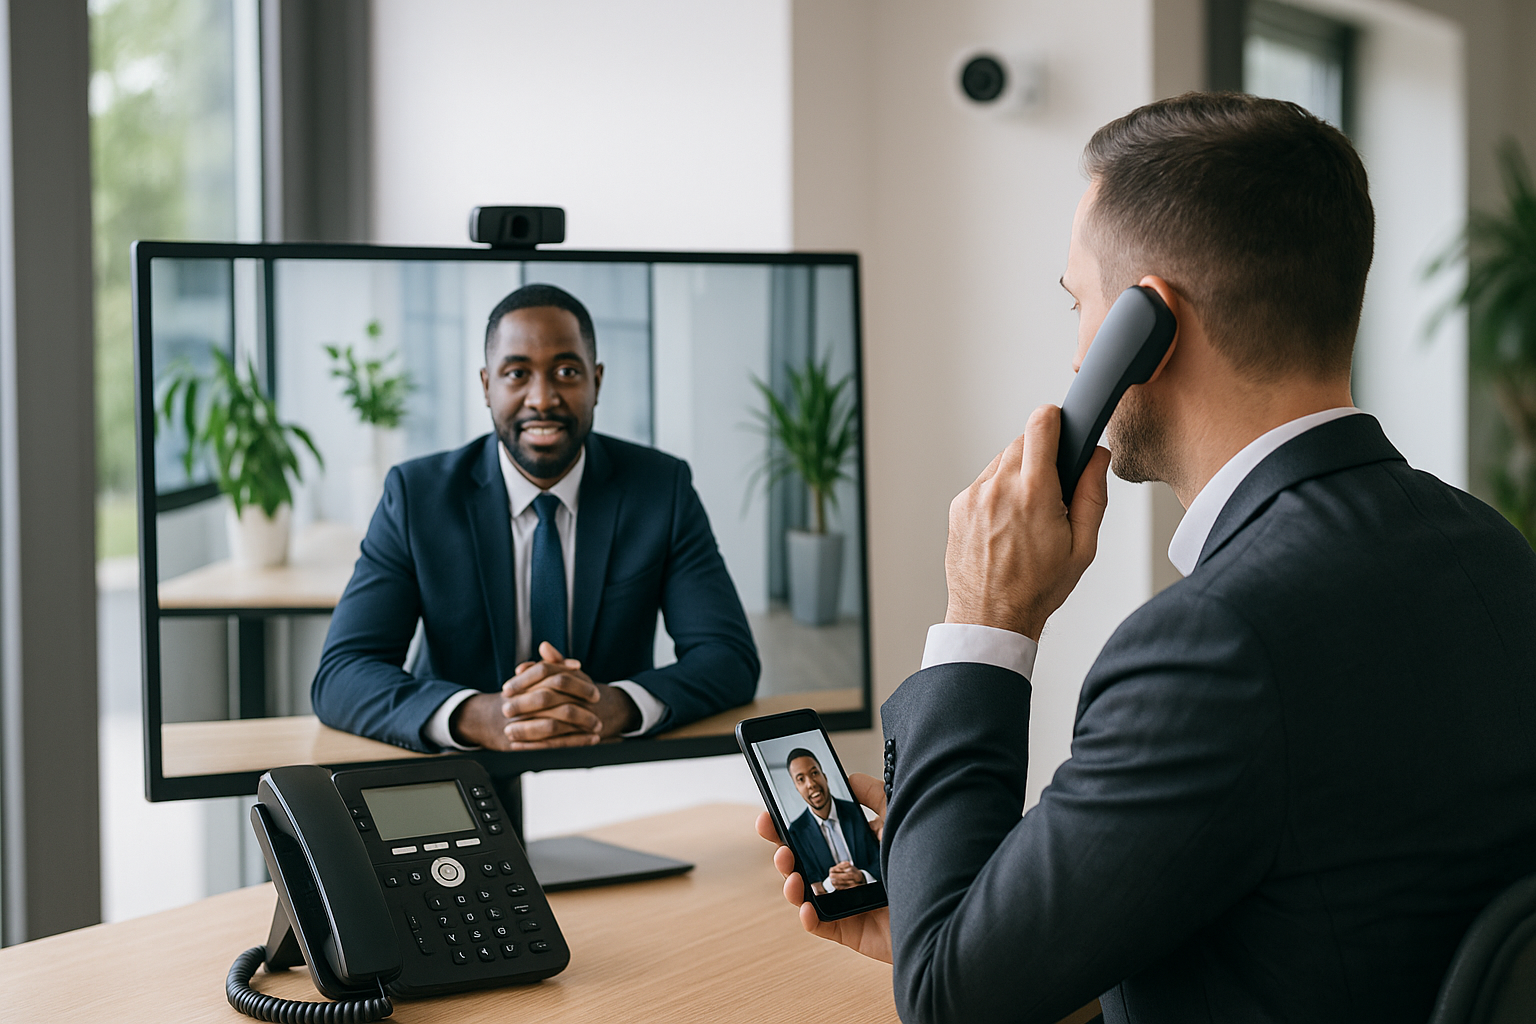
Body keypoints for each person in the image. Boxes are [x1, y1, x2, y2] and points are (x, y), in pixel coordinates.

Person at [756, 93, 1536, 1024]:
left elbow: (946, 1004)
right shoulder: (1487, 548)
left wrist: (984, 621)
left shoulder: (1214, 646)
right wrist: (965, 916)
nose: (1077, 346)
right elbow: (1318, 924)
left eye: (1079, 305)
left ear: (1144, 330)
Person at [312, 283, 760, 752]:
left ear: (597, 381)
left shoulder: (660, 489)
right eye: (517, 373)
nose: (542, 399)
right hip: (461, 774)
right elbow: (342, 673)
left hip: (609, 767)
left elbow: (729, 657)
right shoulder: (417, 497)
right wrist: (478, 716)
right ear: (487, 385)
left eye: (566, 371)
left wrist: (616, 706)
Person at [781, 748, 881, 893]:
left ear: (824, 776)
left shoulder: (855, 811)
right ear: (797, 788)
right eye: (801, 779)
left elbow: (878, 859)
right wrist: (831, 883)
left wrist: (862, 876)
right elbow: (811, 884)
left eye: (814, 773)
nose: (810, 784)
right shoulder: (796, 832)